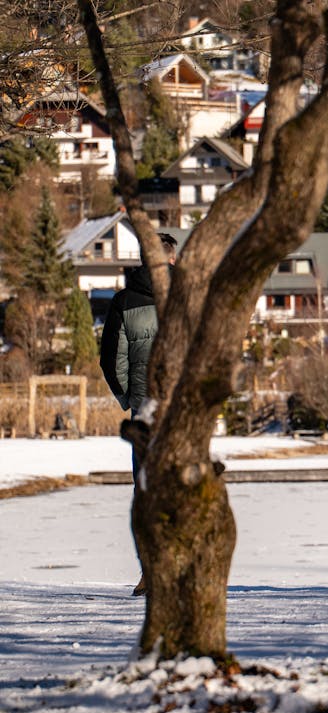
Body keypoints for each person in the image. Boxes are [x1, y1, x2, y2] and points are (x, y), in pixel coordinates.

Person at [99, 231, 177, 597]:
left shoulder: (123, 300)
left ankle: (150, 572)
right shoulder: (189, 296)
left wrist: (129, 397)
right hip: (182, 408)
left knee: (146, 489)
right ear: (172, 260)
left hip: (144, 409)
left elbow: (112, 359)